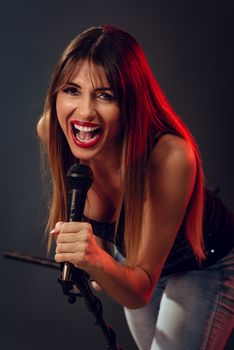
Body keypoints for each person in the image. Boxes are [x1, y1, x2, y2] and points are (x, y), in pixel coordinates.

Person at [37, 25, 234, 350]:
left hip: (206, 267)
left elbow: (139, 290)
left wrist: (95, 259)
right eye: (72, 90)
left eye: (105, 95)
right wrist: (89, 261)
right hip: (136, 265)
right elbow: (99, 232)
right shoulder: (54, 132)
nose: (84, 111)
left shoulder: (171, 157)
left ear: (130, 102)